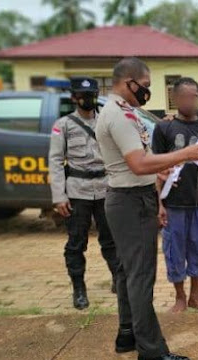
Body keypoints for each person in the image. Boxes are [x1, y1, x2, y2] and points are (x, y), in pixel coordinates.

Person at [95, 57, 198, 360]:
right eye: (145, 86)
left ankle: (128, 334)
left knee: (128, 271)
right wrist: (186, 153)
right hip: (131, 203)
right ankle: (151, 353)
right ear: (128, 81)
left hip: (129, 198)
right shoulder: (117, 115)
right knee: (141, 275)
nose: (147, 92)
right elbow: (138, 165)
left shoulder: (126, 112)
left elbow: (145, 159)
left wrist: (163, 164)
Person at [48, 76, 119, 310]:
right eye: (82, 95)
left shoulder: (106, 122)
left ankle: (117, 279)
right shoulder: (63, 125)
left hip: (105, 188)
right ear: (73, 97)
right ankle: (79, 288)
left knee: (111, 240)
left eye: (91, 95)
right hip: (77, 190)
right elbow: (56, 161)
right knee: (76, 243)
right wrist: (59, 196)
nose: (87, 99)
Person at [152, 77, 198, 313]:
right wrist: (159, 203)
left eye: (194, 96)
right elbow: (155, 168)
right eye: (185, 96)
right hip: (173, 204)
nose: (190, 101)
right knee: (174, 251)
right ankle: (180, 297)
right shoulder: (164, 128)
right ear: (175, 98)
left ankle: (195, 296)